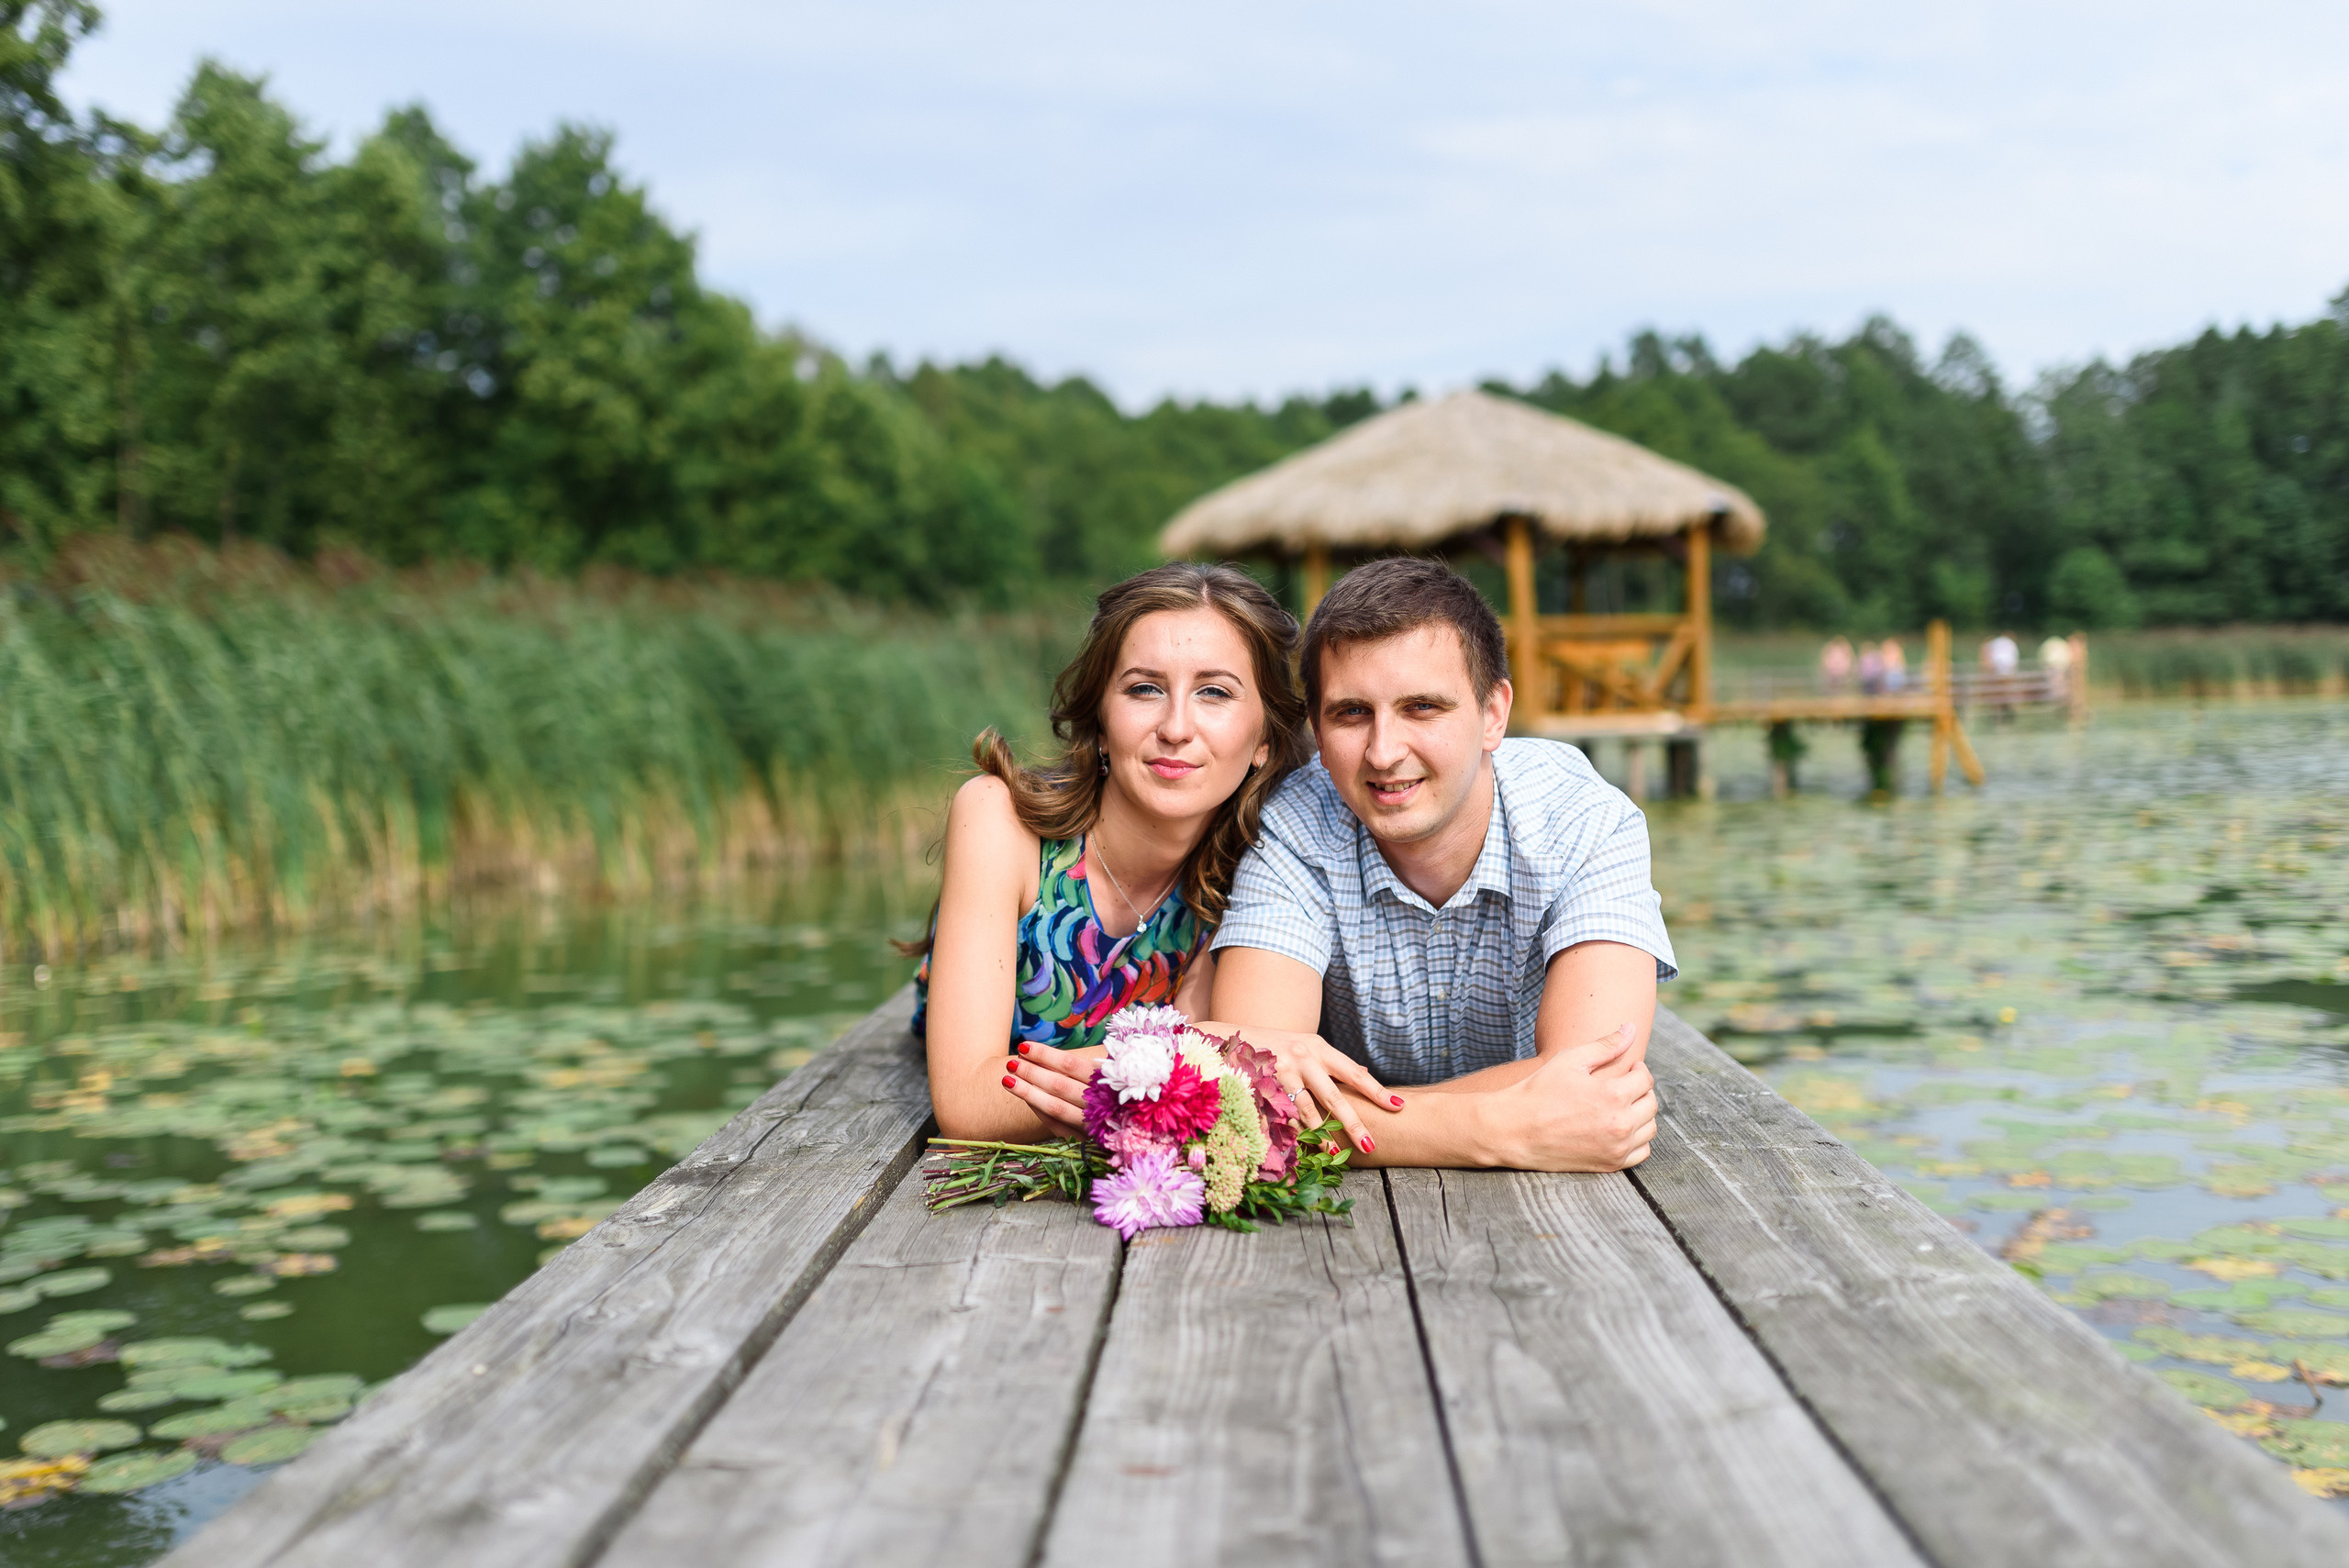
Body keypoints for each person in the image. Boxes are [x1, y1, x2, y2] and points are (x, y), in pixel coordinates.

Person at [1017, 558, 1673, 1172]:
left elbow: (1595, 1084)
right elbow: (1257, 1097)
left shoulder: (1589, 821)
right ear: (1317, 731)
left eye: (1422, 707)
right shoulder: (1294, 823)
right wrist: (1496, 1127)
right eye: (1352, 713)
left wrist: (1358, 1116)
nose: (1385, 752)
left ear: (1494, 712)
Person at [918, 562, 1325, 1143]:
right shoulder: (1001, 820)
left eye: (1214, 692)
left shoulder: (1263, 867)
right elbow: (968, 1104)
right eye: (1144, 689)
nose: (1176, 727)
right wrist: (1186, 1060)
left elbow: (1220, 1095)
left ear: (1263, 739)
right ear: (1102, 723)